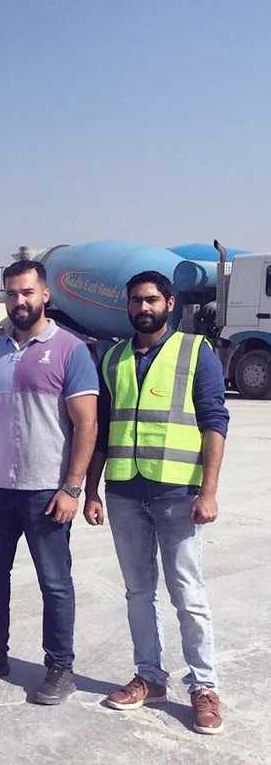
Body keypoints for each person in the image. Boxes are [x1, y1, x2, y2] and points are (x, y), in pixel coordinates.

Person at [0, 259, 98, 706]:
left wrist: (72, 487)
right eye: (11, 293)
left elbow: (86, 424)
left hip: (46, 490)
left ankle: (60, 667)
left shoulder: (71, 350)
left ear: (45, 295)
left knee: (55, 582)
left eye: (27, 292)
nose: (19, 300)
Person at [83, 271, 228, 734]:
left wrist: (209, 491)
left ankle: (204, 686)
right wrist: (90, 489)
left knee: (188, 592)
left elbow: (214, 421)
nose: (142, 308)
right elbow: (102, 430)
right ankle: (150, 676)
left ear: (169, 302)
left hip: (177, 494)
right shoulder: (113, 358)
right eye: (135, 301)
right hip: (125, 491)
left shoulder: (195, 351)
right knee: (138, 592)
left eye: (151, 300)